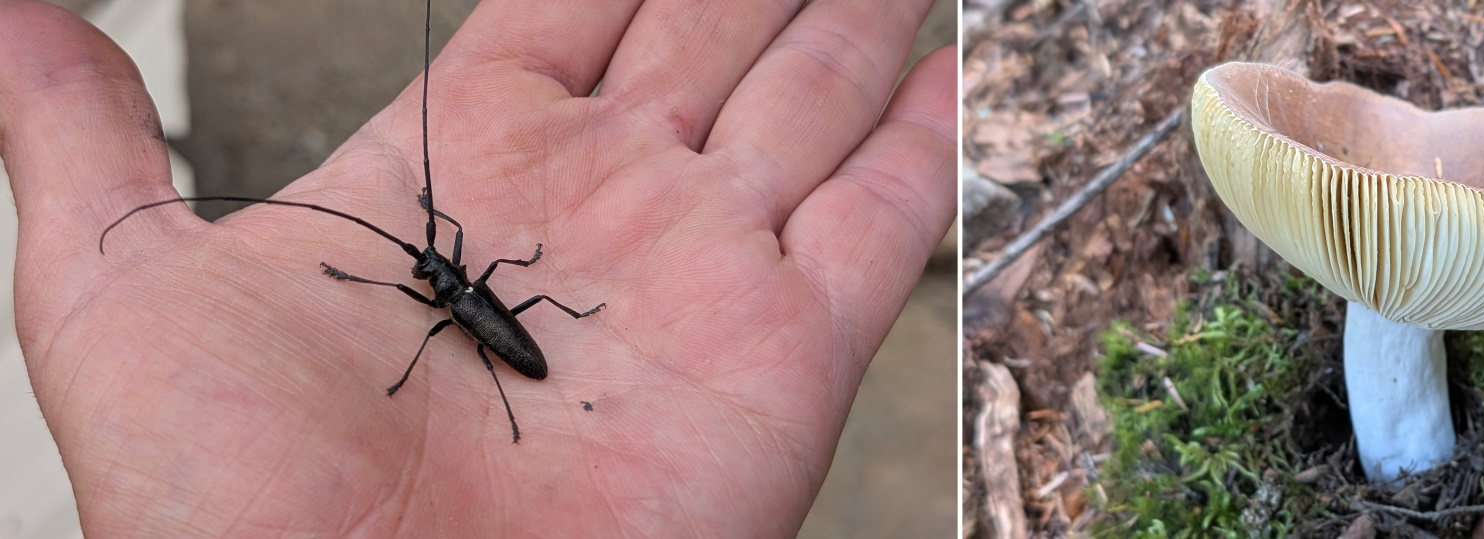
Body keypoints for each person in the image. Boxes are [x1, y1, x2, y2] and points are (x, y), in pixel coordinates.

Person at [0, 0, 955, 535]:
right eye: (430, 263)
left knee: (497, 312)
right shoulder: (454, 295)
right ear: (440, 275)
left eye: (430, 257)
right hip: (513, 342)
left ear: (440, 269)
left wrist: (467, 253)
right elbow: (450, 304)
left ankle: (544, 336)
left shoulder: (455, 287)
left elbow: (453, 281)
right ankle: (513, 372)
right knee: (481, 338)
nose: (429, 264)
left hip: (523, 332)